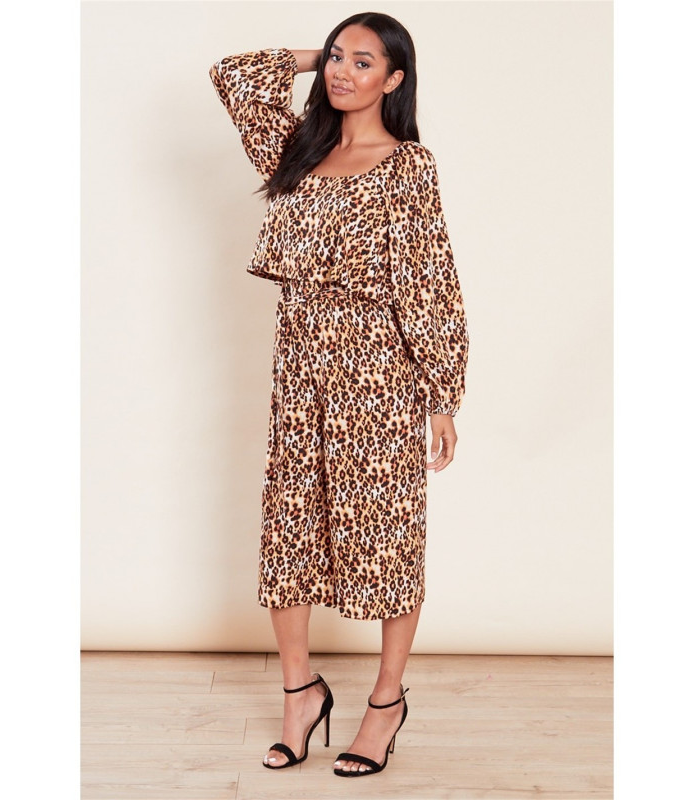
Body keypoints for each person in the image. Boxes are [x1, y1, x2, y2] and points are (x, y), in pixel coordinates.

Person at [210, 10, 469, 778]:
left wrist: (443, 395)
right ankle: (301, 693)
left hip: (377, 372)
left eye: (364, 62)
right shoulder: (297, 148)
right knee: (289, 530)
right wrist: (311, 55)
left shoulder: (408, 166)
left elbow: (429, 280)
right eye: (336, 56)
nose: (342, 71)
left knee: (386, 533)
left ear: (395, 80)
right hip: (298, 371)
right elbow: (233, 76)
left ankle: (385, 702)